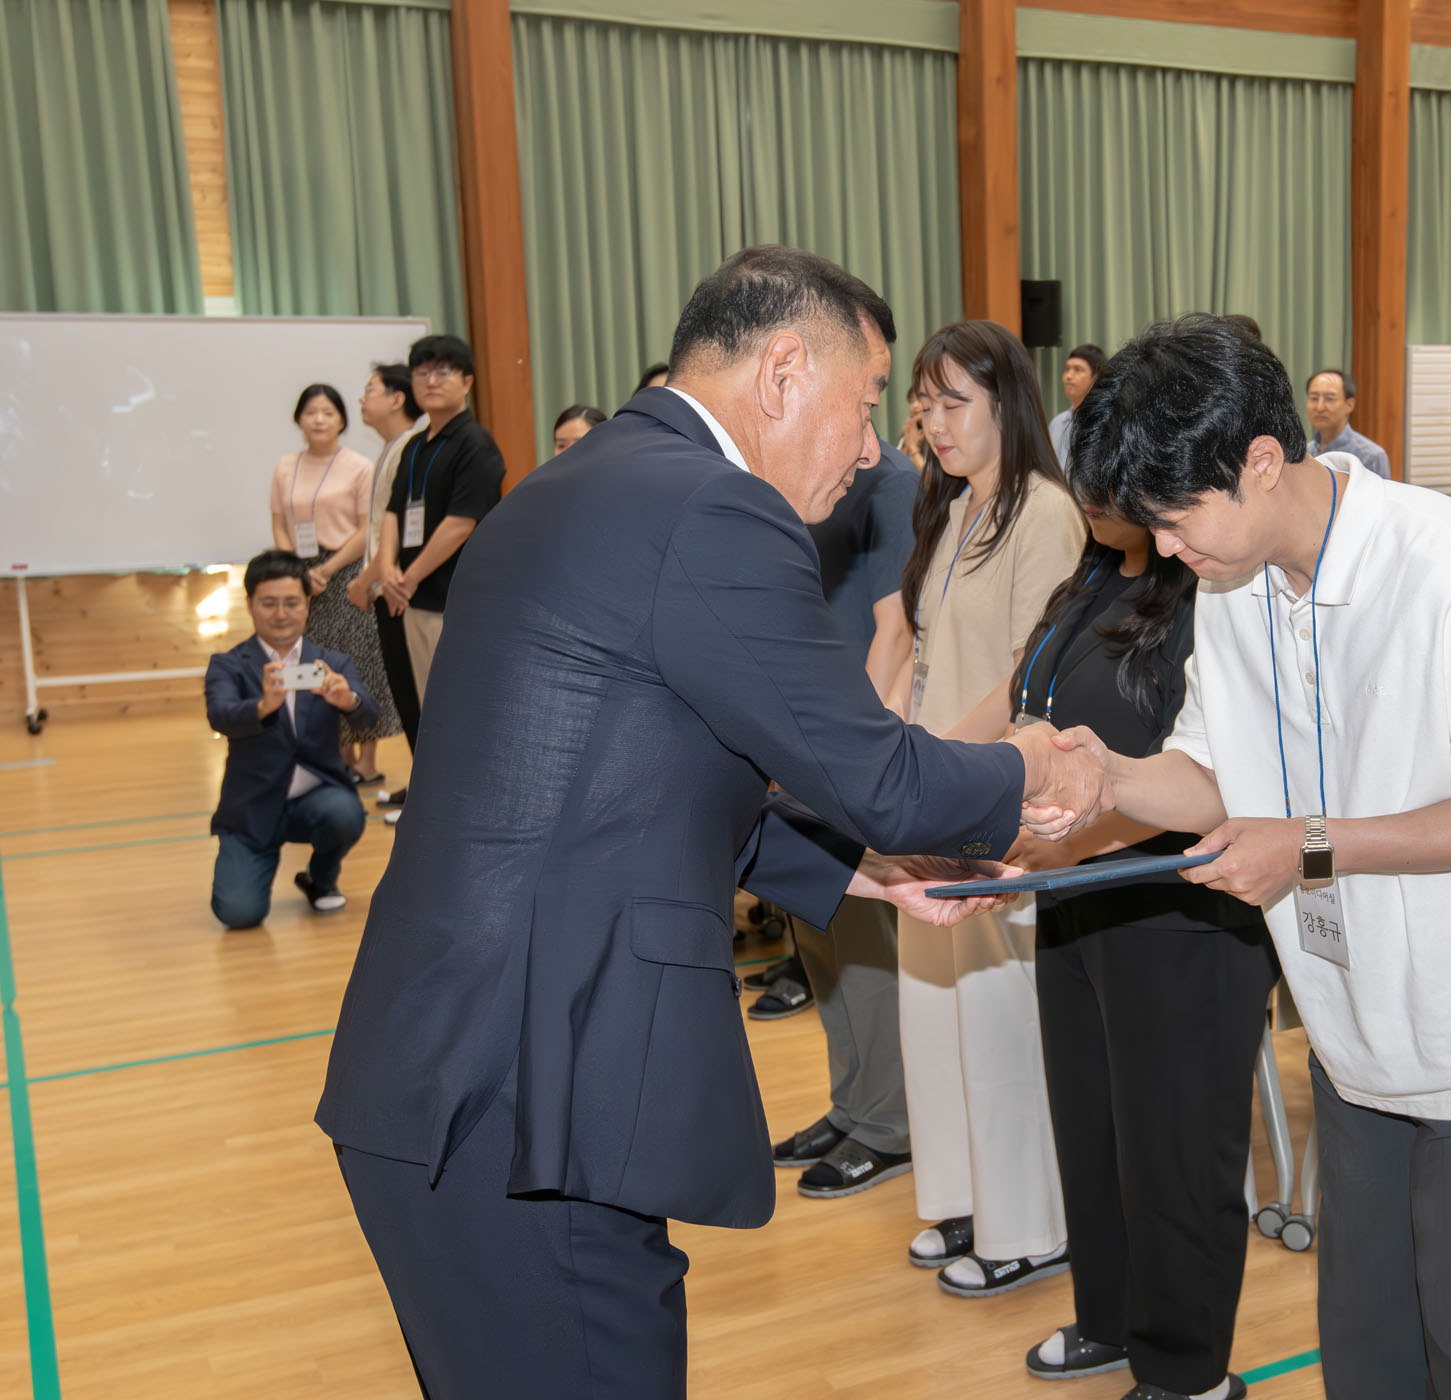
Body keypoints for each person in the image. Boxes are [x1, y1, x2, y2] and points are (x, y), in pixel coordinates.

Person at [316, 246, 1105, 1399]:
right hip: (526, 1093)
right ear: (783, 371)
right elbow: (879, 773)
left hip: (453, 1061)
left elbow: (611, 768)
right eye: (865, 401)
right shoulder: (713, 507)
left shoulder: (573, 485)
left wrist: (852, 867)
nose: (873, 446)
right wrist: (1032, 754)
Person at [1058, 315, 1451, 1400]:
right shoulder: (1231, 583)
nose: (1168, 549)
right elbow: (1218, 766)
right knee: (1373, 1363)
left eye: (1177, 519)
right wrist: (1109, 780)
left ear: (1261, 461)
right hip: (1358, 1036)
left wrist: (1312, 845)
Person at [1007, 506, 1276, 1400]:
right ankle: (1110, 1317)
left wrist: (1057, 848)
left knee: (1175, 1150)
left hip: (1176, 907)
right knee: (1090, 1126)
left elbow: (1213, 778)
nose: (1098, 494)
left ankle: (1187, 1371)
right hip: (1078, 897)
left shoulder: (1215, 589)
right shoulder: (1091, 579)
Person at [881, 319, 1088, 1296]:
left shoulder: (1044, 511)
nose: (934, 421)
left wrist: (941, 769)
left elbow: (1025, 673)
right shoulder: (955, 504)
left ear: (1007, 402)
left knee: (999, 1014)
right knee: (935, 1006)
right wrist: (893, 757)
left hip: (990, 786)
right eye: (923, 402)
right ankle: (965, 1195)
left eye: (953, 401)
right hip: (932, 786)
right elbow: (923, 651)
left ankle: (1031, 1223)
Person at [764, 432, 924, 1199]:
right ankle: (852, 1104)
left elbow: (896, 628)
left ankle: (890, 1124)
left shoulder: (888, 480)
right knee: (819, 935)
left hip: (845, 736)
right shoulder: (797, 468)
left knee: (862, 942)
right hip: (801, 730)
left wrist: (854, 753)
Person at [206, 551, 376, 929]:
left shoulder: (332, 663)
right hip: (252, 807)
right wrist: (262, 707)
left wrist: (348, 699)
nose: (281, 613)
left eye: (292, 602)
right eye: (269, 603)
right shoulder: (228, 665)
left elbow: (369, 717)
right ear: (250, 605)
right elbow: (220, 715)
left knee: (345, 813)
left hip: (315, 800)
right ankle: (250, 865)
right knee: (238, 914)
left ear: (307, 604)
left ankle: (320, 878)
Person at [375, 335, 507, 702]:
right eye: (422, 372)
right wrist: (387, 570)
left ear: (467, 382)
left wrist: (407, 578)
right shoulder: (415, 445)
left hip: (455, 601)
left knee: (459, 704)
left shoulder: (476, 444)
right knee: (427, 703)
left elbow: (461, 524)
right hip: (412, 598)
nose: (431, 381)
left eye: (443, 372)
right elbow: (393, 511)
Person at [269, 385, 390, 783]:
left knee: (358, 663)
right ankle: (339, 756)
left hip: (348, 573)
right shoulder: (286, 466)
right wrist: (297, 570)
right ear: (298, 419)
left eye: (327, 412)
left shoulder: (359, 466)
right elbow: (279, 523)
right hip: (300, 578)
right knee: (315, 665)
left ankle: (367, 762)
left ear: (341, 420)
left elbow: (366, 529)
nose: (318, 420)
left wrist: (328, 569)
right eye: (310, 412)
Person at [349, 363, 424, 816]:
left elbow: (392, 533)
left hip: (395, 590)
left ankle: (427, 792)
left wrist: (366, 579)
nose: (362, 398)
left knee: (414, 695)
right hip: (383, 588)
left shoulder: (408, 449)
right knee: (403, 691)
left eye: (370, 390)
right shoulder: (392, 448)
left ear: (397, 399)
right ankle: (421, 783)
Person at [1304, 369, 1391, 480]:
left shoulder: (1372, 456)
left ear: (1349, 405)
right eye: (1314, 398)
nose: (1320, 407)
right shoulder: (1305, 453)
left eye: (1329, 399)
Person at [1047, 344, 1106, 469]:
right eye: (1067, 369)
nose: (1068, 376)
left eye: (1078, 370)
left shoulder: (1104, 422)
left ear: (1096, 378)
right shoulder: (1057, 423)